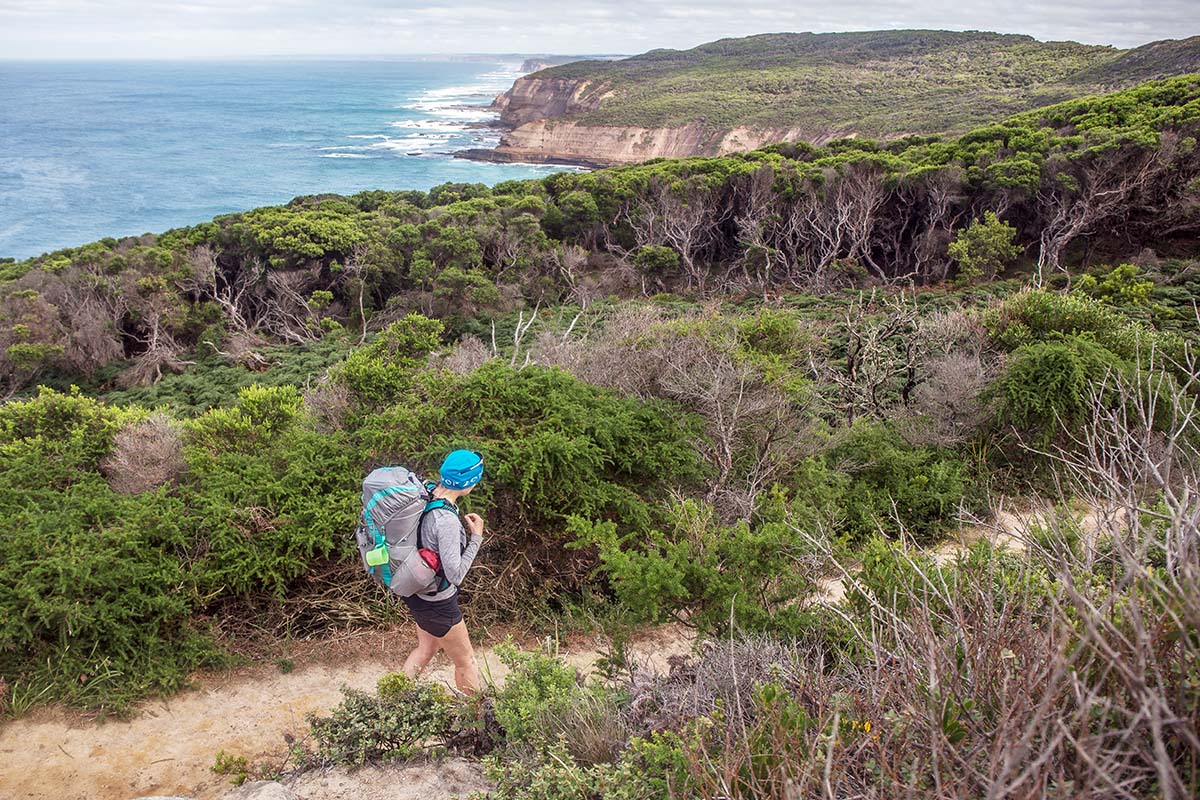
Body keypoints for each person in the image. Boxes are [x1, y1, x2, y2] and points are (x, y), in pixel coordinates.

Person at [401, 449, 485, 694]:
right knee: (466, 661)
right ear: (468, 482)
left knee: (426, 649)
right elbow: (455, 575)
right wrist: (476, 538)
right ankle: (477, 724)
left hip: (415, 592)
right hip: (437, 603)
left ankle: (392, 702)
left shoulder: (425, 492)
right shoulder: (445, 519)